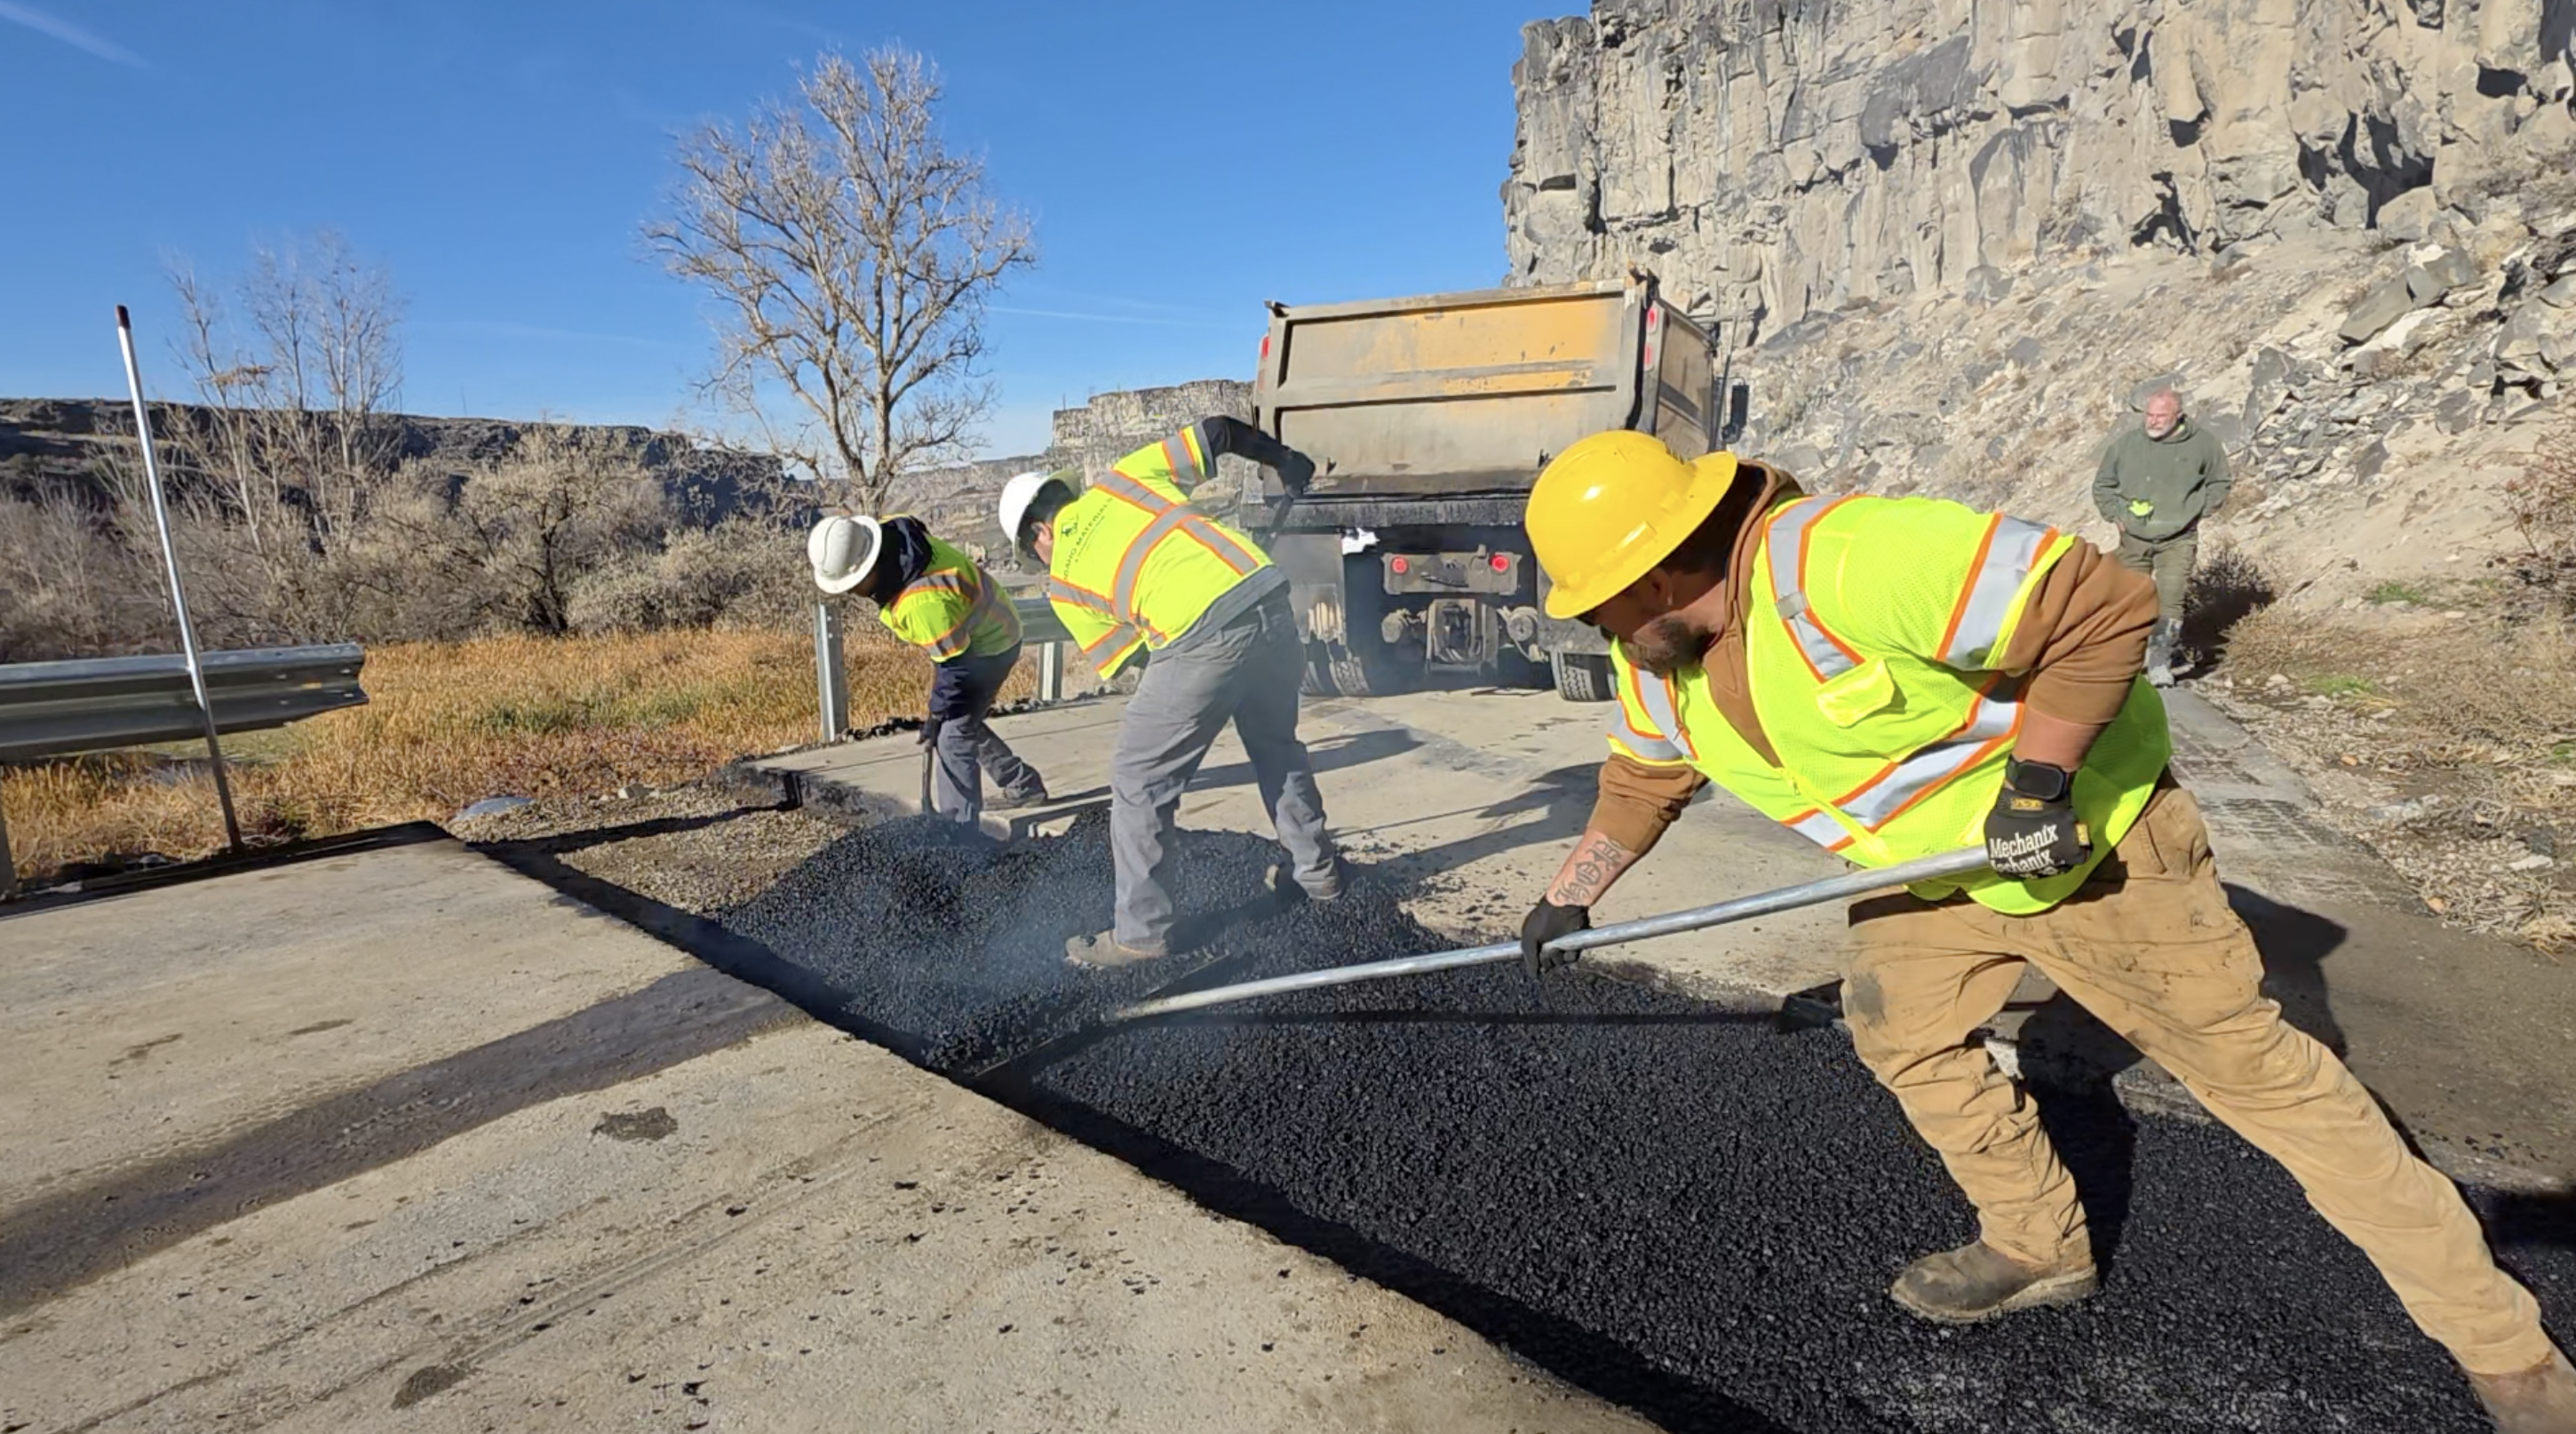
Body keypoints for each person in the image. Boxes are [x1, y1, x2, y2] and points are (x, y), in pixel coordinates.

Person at [1516, 428, 2572, 1431]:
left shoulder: (1848, 558)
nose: (1592, 632)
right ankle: (2037, 1244)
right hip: (1928, 873)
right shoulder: (1658, 659)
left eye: (1594, 609)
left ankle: (2505, 1353)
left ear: (1650, 575)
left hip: (2093, 853)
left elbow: (2103, 604)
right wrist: (1573, 891)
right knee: (1897, 1030)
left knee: (2265, 1085)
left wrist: (2035, 788)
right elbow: (1644, 774)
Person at [996, 416, 1344, 967]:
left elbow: (1135, 659)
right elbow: (1221, 431)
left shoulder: (1063, 581)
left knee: (1139, 780)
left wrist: (1204, 675)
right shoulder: (1123, 479)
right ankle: (1320, 876)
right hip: (1271, 603)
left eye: (1030, 551)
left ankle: (1139, 934)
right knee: (1277, 746)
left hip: (1199, 639)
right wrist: (1285, 460)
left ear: (1038, 532)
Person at [809, 513, 1046, 825]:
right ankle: (1022, 784)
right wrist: (941, 711)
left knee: (952, 734)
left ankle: (961, 832)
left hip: (991, 644)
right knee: (960, 719)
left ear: (870, 565)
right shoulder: (895, 538)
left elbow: (956, 668)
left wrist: (936, 713)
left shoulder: (922, 602)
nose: (850, 591)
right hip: (975, 630)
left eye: (852, 584)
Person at [2093, 386, 2230, 686]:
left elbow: (2220, 482)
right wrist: (2116, 515)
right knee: (2128, 598)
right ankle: (2127, 659)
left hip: (2178, 539)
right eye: (2149, 415)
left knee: (2171, 598)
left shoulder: (2203, 444)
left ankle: (2159, 662)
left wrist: (2195, 512)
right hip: (2134, 539)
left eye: (2160, 416)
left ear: (2178, 415)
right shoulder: (2126, 446)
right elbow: (2103, 485)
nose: (2153, 422)